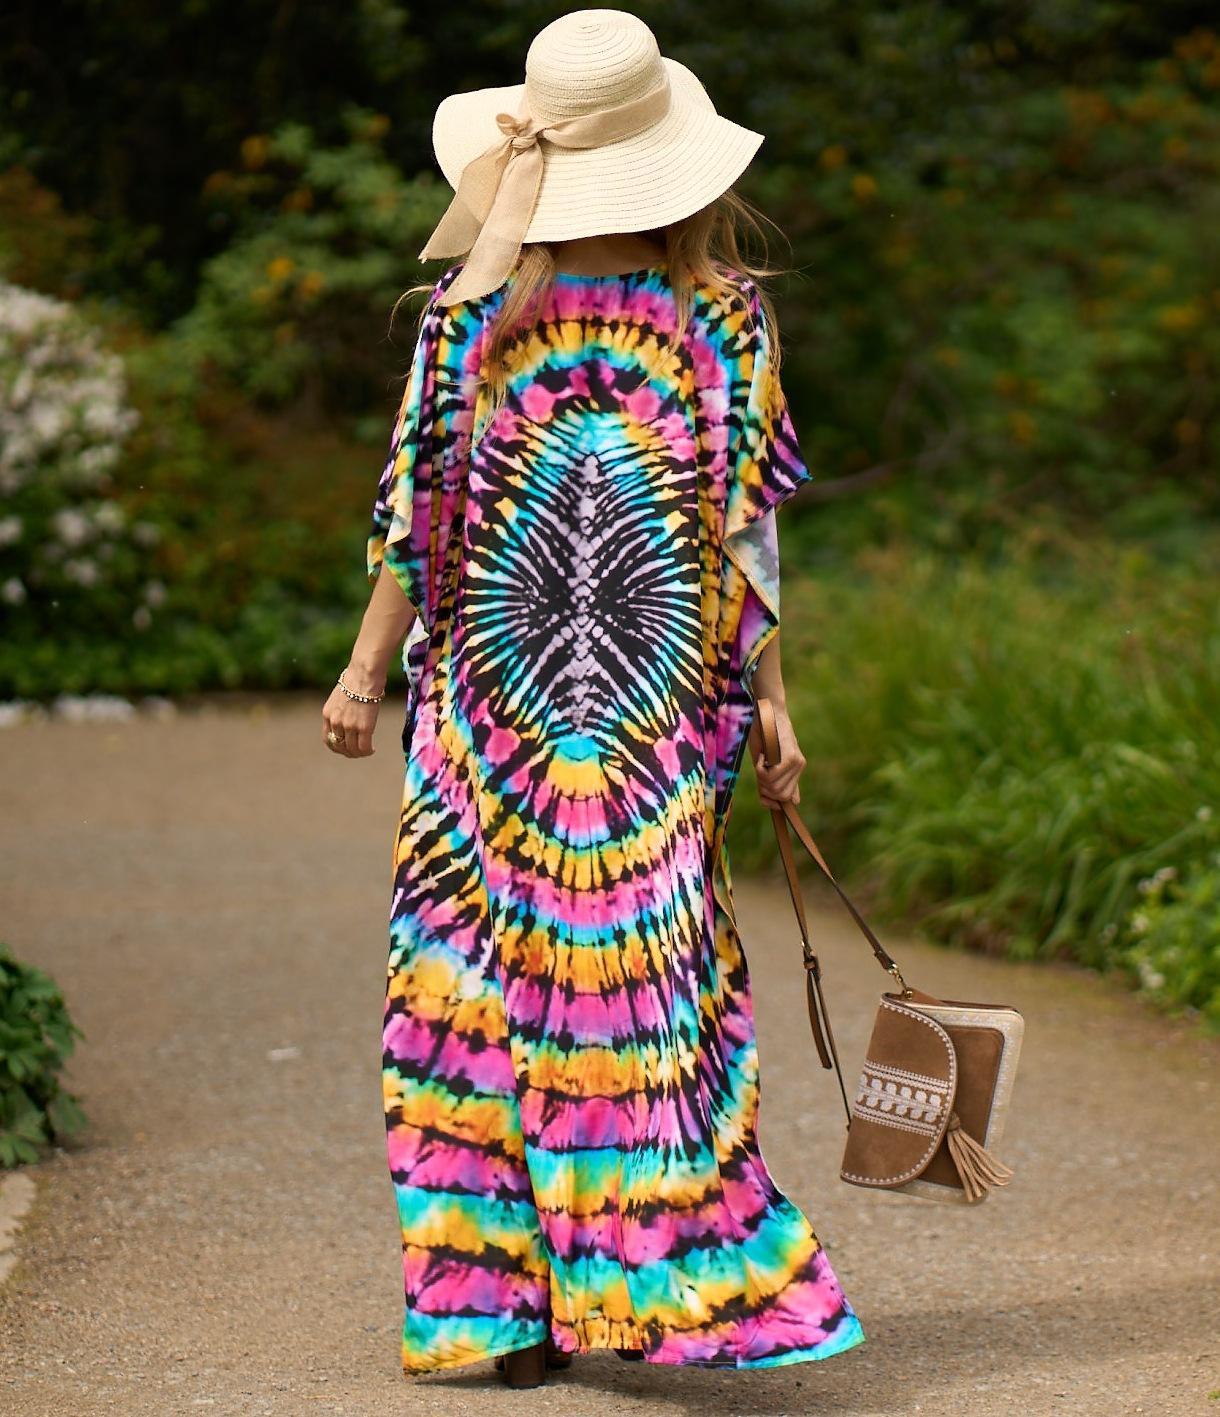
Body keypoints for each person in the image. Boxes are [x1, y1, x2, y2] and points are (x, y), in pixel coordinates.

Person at [321, 7, 865, 1390]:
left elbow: (415, 518)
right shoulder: (716, 322)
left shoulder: (477, 320)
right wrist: (773, 693)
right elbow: (743, 534)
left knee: (470, 995)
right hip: (642, 725)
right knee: (636, 998)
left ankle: (508, 1308)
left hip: (498, 723)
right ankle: (635, 1296)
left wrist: (366, 667)